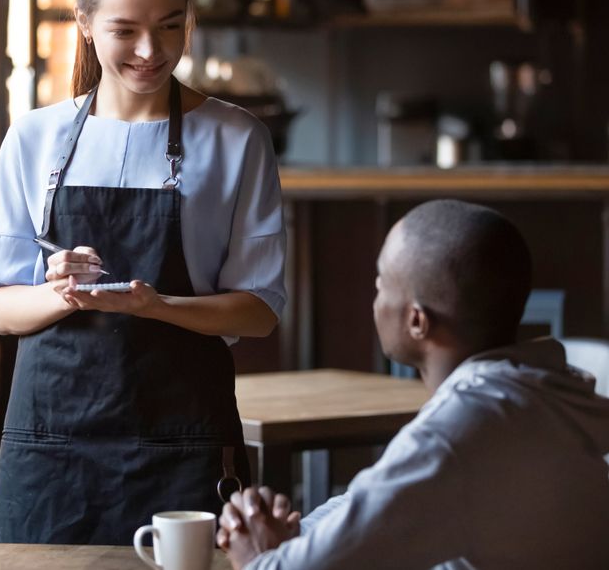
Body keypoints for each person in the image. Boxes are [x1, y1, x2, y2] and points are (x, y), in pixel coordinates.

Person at [0, 0, 286, 544]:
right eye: (126, 31)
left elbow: (259, 312)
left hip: (183, 440)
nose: (151, 50)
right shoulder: (34, 138)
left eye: (171, 27)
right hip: (52, 448)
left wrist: (158, 306)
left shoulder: (236, 138)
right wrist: (61, 291)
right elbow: (0, 308)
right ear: (86, 25)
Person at [217, 199, 609, 570]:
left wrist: (255, 550)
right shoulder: (538, 389)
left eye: (381, 284)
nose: (374, 298)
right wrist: (297, 534)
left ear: (417, 321)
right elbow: (372, 502)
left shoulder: (458, 432)